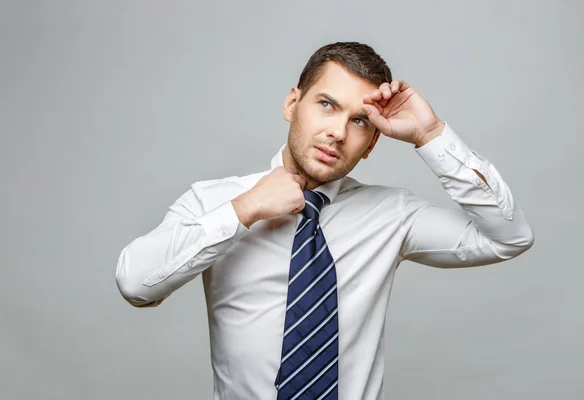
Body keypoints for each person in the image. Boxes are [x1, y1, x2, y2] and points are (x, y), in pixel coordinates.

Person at [115, 42, 534, 400]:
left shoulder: (393, 215)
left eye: (358, 121)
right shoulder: (214, 201)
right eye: (327, 105)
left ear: (371, 144)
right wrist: (245, 211)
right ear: (292, 104)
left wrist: (431, 134)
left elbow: (509, 238)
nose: (337, 132)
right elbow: (136, 284)